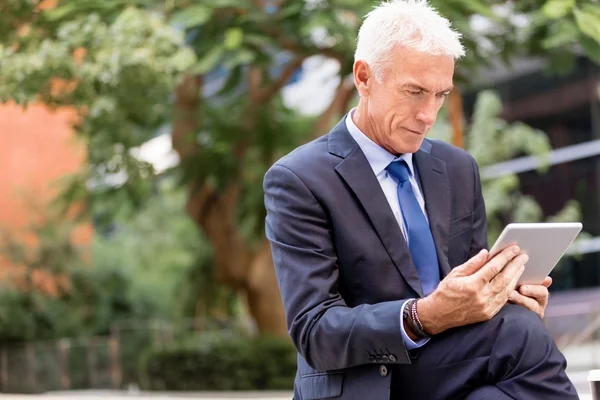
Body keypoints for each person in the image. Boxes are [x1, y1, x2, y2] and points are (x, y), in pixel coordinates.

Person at [263, 1, 578, 399]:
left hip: (457, 365)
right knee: (519, 334)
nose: (428, 115)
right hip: (368, 379)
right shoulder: (299, 179)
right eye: (414, 92)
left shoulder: (457, 167)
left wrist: (501, 294)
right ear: (364, 77)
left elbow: (472, 285)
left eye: (440, 94)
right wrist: (421, 317)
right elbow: (314, 332)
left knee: (508, 356)